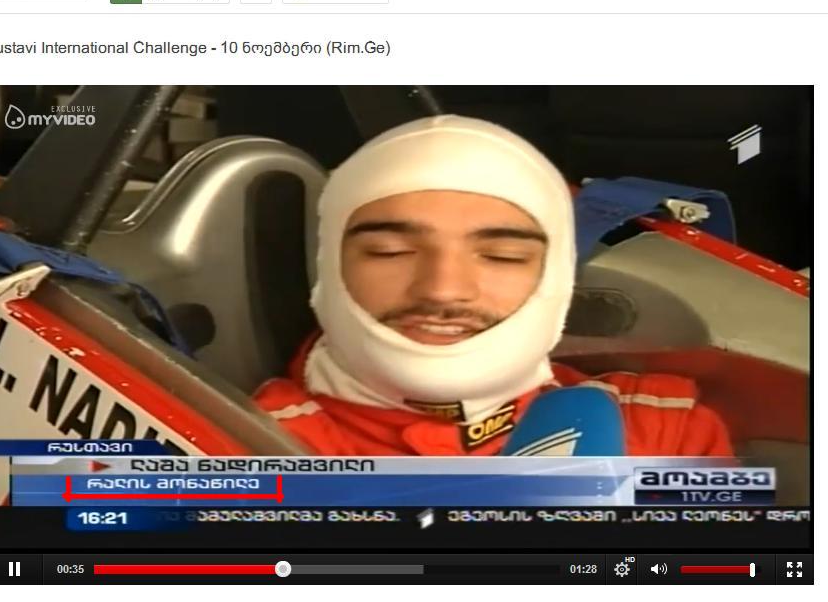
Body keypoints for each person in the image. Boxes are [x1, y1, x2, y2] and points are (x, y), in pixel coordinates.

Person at [253, 115, 733, 457]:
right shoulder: (247, 447)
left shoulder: (661, 428)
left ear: (555, 276)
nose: (443, 289)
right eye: (390, 251)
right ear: (329, 267)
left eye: (503, 256)